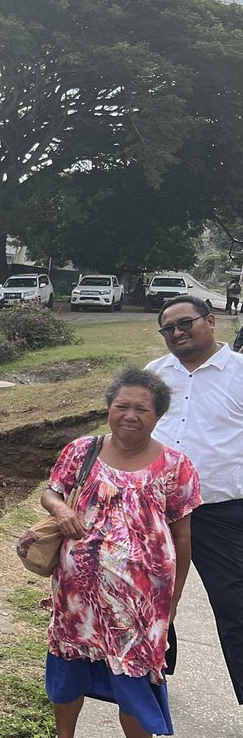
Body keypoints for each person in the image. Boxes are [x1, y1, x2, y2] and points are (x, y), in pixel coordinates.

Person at [34, 368, 199, 738]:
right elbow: (51, 492)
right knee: (67, 677)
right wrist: (60, 510)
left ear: (158, 415)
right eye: (121, 406)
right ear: (109, 408)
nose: (130, 415)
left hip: (140, 607)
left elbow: (182, 535)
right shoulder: (82, 450)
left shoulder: (176, 466)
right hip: (77, 601)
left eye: (141, 408)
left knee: (134, 684)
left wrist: (174, 599)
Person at [146, 297, 243, 706]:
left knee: (235, 606)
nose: (177, 332)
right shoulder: (155, 374)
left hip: (220, 512)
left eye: (185, 323)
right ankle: (150, 683)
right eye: (168, 328)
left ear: (211, 320)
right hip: (154, 509)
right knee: (149, 599)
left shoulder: (239, 373)